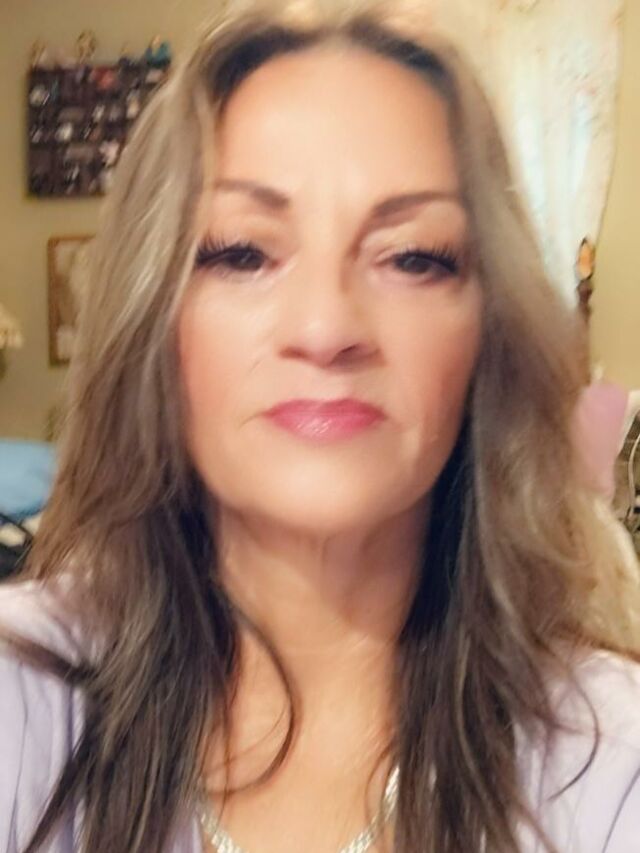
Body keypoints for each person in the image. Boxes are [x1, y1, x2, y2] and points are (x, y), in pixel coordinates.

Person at [1, 2, 639, 852]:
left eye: (412, 257)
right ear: (153, 318)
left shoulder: (607, 762)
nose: (326, 326)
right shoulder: (20, 697)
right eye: (242, 252)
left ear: (488, 334)